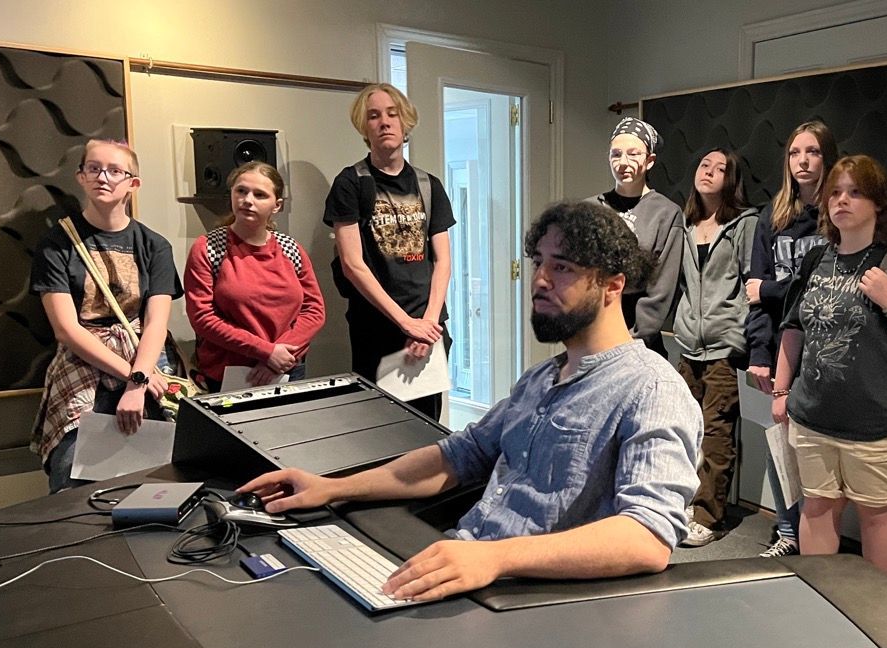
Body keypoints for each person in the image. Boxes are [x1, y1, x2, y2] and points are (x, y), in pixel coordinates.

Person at [239, 202, 703, 602]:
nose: (539, 280)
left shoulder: (652, 389)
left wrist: (492, 559)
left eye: (562, 267)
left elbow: (648, 536)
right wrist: (332, 486)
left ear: (612, 285)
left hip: (528, 601)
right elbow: (458, 457)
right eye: (538, 262)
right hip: (468, 569)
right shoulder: (540, 379)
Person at [772, 155, 887, 576]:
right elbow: (794, 327)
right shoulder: (817, 260)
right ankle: (821, 601)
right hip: (813, 415)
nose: (842, 201)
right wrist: (782, 391)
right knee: (816, 507)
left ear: (878, 203)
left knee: (876, 514)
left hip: (878, 421)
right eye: (835, 192)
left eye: (855, 192)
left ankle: (877, 611)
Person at [29, 139, 183, 493]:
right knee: (73, 475)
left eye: (115, 171)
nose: (103, 177)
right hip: (85, 363)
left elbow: (157, 322)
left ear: (133, 183)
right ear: (80, 177)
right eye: (94, 168)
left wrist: (140, 380)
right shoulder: (57, 243)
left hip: (147, 358)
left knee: (160, 477)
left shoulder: (153, 245)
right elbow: (67, 330)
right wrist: (134, 380)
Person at [323, 82, 454, 421]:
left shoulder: (429, 185)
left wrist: (427, 323)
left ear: (405, 121)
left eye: (392, 114)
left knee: (426, 429)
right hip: (376, 332)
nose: (384, 122)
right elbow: (353, 265)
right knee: (378, 430)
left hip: (428, 331)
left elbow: (442, 262)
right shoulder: (351, 183)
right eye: (374, 116)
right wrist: (405, 322)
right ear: (363, 127)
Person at [745, 120, 839, 558]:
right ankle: (787, 533)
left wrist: (768, 289)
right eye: (795, 152)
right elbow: (754, 295)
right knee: (778, 442)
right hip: (779, 349)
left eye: (813, 151)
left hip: (826, 350)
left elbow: (825, 287)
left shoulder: (838, 215)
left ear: (828, 157)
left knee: (818, 451)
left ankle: (817, 540)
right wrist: (759, 354)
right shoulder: (773, 215)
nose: (803, 160)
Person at [672, 148, 759, 547]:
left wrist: (741, 334)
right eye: (704, 164)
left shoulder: (745, 224)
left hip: (725, 343)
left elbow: (750, 283)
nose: (708, 172)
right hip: (688, 341)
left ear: (732, 178)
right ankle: (683, 505)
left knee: (717, 431)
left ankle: (709, 514)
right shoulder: (685, 224)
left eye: (718, 168)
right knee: (684, 428)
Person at [184, 162, 325, 392]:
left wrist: (279, 357)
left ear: (276, 205)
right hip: (229, 374)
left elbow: (314, 310)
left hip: (288, 369)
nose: (248, 200)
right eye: (241, 191)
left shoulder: (291, 249)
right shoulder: (208, 248)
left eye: (260, 195)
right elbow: (203, 318)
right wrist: (266, 352)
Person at [586, 116, 685, 355]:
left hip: (639, 345)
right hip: (591, 337)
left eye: (633, 154)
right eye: (616, 154)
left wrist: (632, 340)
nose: (623, 162)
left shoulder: (666, 213)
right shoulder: (590, 209)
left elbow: (662, 289)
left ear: (649, 161)